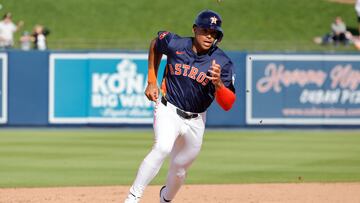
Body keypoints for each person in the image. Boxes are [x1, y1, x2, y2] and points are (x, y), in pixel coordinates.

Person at [124, 9, 236, 203]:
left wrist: (218, 84)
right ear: (194, 29)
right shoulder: (175, 43)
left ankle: (165, 199)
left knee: (179, 171)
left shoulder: (223, 62)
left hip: (196, 120)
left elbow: (228, 104)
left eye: (214, 33)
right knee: (162, 147)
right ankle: (133, 197)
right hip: (169, 109)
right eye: (205, 30)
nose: (209, 36)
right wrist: (152, 79)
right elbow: (155, 43)